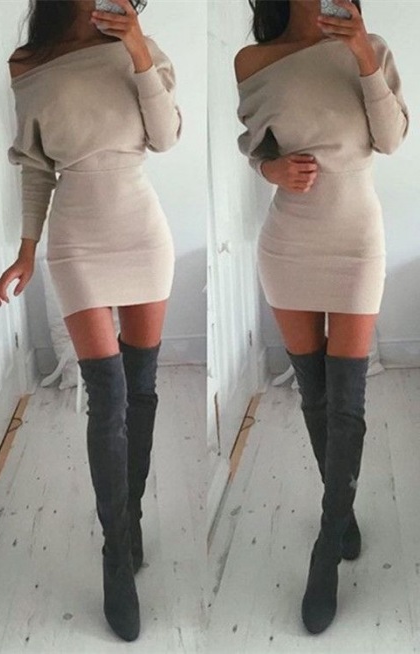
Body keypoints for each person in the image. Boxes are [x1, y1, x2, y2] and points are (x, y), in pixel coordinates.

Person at [0, 0, 181, 642]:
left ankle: (130, 521)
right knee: (108, 394)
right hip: (75, 240)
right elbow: (36, 167)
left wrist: (137, 47)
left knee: (142, 386)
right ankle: (115, 554)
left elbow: (166, 135)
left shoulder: (138, 44)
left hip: (142, 230)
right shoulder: (28, 62)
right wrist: (25, 251)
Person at [234, 0, 408, 635]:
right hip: (288, 242)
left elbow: (391, 138)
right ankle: (344, 512)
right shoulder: (252, 60)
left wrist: (360, 53)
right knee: (315, 394)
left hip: (357, 239)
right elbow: (256, 146)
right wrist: (269, 168)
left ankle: (326, 547)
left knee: (347, 401)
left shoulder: (371, 46)